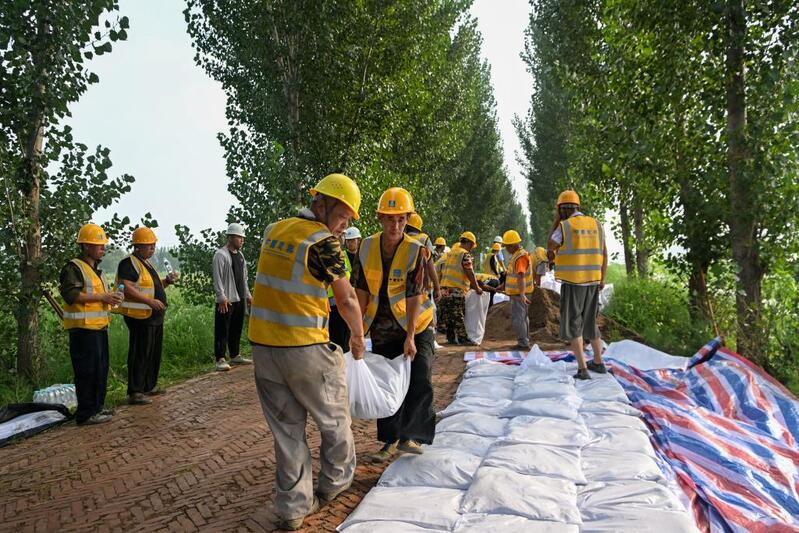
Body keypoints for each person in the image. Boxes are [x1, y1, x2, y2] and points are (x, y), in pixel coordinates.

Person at [248, 173, 366, 531]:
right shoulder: (324, 243)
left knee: (286, 431)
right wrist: (358, 337)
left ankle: (294, 508)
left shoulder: (274, 230)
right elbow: (345, 298)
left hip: (265, 348)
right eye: (342, 217)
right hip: (306, 348)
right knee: (335, 420)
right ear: (321, 204)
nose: (343, 225)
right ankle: (334, 485)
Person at [354, 188, 436, 462]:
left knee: (419, 374)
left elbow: (415, 295)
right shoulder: (366, 247)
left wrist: (411, 336)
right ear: (379, 218)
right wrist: (358, 331)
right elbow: (361, 290)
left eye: (401, 219)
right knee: (386, 382)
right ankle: (389, 440)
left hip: (417, 324)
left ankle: (411, 435)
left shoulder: (415, 250)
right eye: (390, 219)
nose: (395, 225)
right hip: (382, 327)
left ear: (407, 220)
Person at [59, 224, 124, 425]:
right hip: (83, 330)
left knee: (100, 369)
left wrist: (111, 298)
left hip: (99, 327)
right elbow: (71, 295)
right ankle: (86, 413)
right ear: (86, 246)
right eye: (98, 245)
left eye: (103, 245)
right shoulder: (73, 268)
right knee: (87, 371)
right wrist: (101, 296)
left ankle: (97, 408)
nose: (103, 248)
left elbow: (99, 297)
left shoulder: (98, 271)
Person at [547, 189, 608, 380]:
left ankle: (582, 369)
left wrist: (557, 223)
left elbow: (551, 245)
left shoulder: (565, 226)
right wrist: (602, 279)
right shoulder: (596, 224)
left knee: (574, 324)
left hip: (574, 282)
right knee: (590, 322)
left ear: (562, 210)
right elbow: (604, 253)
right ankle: (598, 363)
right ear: (578, 206)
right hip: (593, 280)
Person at [115, 227, 178, 405]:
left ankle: (148, 386)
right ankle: (135, 391)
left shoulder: (146, 263)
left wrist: (166, 282)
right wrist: (149, 301)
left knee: (153, 352)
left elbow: (151, 288)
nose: (152, 249)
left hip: (153, 316)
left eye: (153, 245)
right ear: (138, 246)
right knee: (140, 352)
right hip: (139, 316)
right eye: (149, 246)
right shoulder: (129, 263)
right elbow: (126, 287)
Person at [212, 223, 253, 371]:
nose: (242, 240)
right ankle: (220, 358)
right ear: (230, 237)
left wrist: (248, 295)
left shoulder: (241, 256)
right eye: (239, 237)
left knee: (236, 327)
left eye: (243, 238)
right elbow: (217, 278)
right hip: (227, 299)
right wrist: (221, 297)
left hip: (240, 297)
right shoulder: (220, 255)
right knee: (223, 328)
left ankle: (235, 355)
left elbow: (244, 278)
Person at [438, 231, 483, 345]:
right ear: (470, 243)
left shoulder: (450, 253)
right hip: (456, 289)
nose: (472, 248)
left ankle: (451, 337)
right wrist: (477, 287)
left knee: (449, 314)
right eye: (472, 246)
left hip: (444, 288)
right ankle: (463, 338)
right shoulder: (464, 254)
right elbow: (469, 272)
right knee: (458, 315)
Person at [498, 230, 533, 350]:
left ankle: (523, 343)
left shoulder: (520, 257)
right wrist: (503, 286)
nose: (506, 249)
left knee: (519, 318)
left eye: (507, 246)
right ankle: (525, 340)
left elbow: (521, 275)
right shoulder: (517, 255)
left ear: (512, 245)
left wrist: (522, 294)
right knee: (523, 317)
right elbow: (512, 275)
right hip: (521, 293)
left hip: (520, 294)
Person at [327, 237, 353, 351]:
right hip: (333, 302)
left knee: (344, 337)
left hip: (342, 300)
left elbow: (348, 274)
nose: (342, 238)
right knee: (337, 339)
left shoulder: (342, 254)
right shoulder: (329, 253)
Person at [482, 242, 506, 307]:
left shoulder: (488, 255)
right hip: (492, 278)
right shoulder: (493, 256)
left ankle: (488, 306)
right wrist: (497, 274)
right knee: (491, 294)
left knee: (489, 294)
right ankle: (490, 306)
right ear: (497, 250)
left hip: (486, 277)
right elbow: (493, 266)